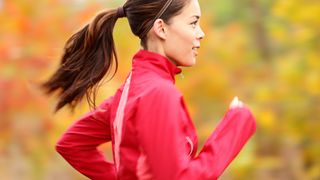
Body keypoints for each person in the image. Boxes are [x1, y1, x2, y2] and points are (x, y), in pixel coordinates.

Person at [42, 0, 256, 179]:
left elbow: (72, 143)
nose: (201, 34)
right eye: (193, 23)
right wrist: (237, 124)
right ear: (161, 28)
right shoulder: (158, 93)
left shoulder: (133, 89)